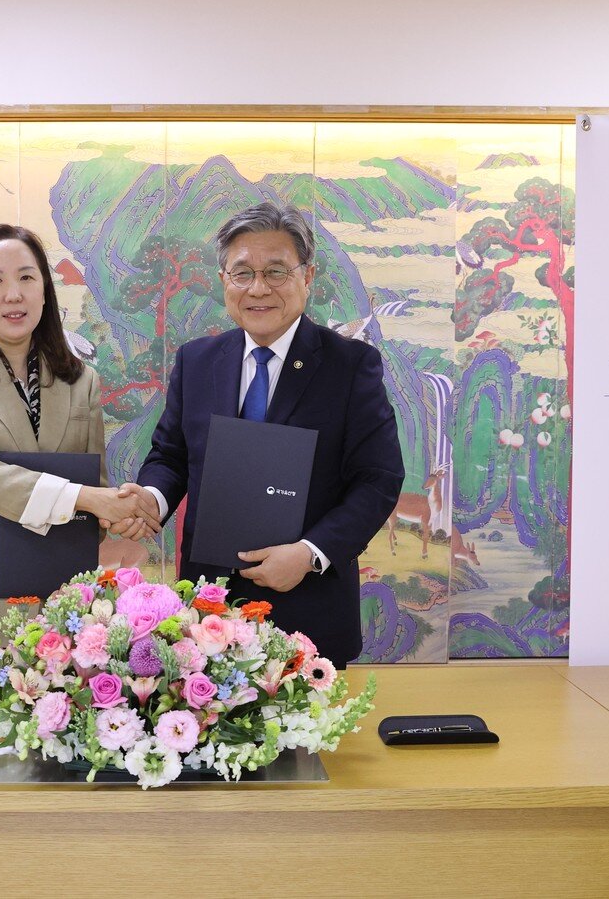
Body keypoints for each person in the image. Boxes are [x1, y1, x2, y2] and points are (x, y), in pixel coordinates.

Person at [118, 202, 404, 664]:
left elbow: (378, 479)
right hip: (210, 613)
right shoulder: (197, 361)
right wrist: (152, 499)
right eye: (242, 273)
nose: (258, 289)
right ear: (223, 281)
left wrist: (311, 553)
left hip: (309, 612)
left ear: (307, 277)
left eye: (276, 272)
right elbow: (170, 456)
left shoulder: (350, 366)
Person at [0, 224, 158, 671]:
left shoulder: (82, 380)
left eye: (27, 278)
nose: (14, 294)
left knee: (52, 738)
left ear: (46, 291)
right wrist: (89, 499)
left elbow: (94, 484)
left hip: (57, 606)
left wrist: (119, 509)